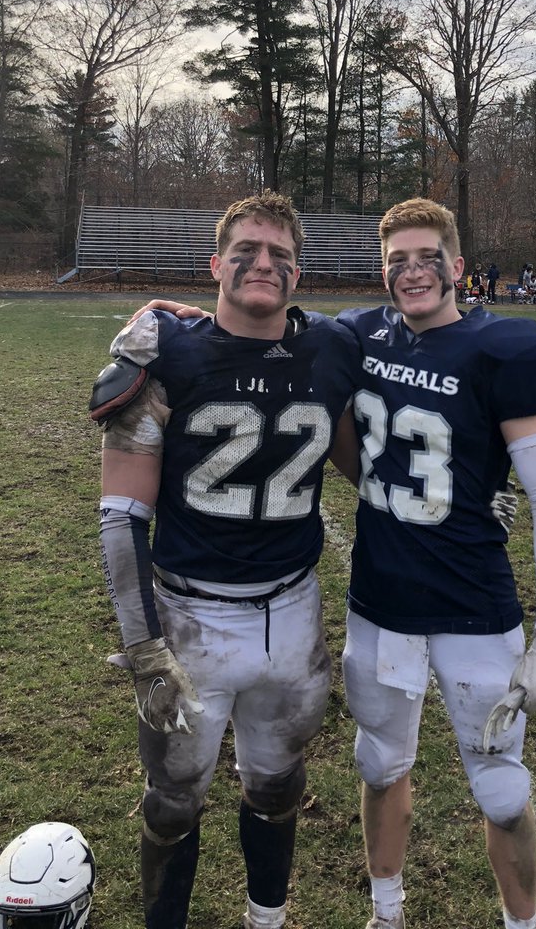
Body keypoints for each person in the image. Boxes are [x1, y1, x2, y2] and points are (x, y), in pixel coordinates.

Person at [91, 192, 360, 929]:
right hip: (189, 617)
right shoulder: (164, 352)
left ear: (299, 274)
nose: (262, 264)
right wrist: (144, 647)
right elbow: (121, 519)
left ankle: (265, 919)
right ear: (216, 263)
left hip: (292, 611)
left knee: (277, 787)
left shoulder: (331, 348)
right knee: (173, 801)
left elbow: (372, 454)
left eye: (279, 255)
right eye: (245, 250)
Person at [337, 198, 536, 929]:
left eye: (426, 256)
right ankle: (386, 912)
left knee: (502, 794)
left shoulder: (501, 348)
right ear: (383, 271)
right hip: (382, 600)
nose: (412, 271)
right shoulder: (359, 335)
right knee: (380, 764)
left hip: (474, 601)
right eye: (397, 260)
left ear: (457, 265)